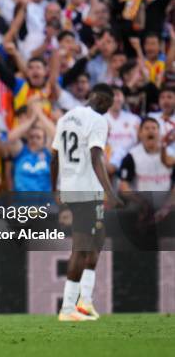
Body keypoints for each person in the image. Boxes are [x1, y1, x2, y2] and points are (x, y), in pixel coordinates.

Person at [51, 84, 124, 321]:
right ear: (103, 100)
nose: (107, 109)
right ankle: (68, 308)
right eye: (109, 105)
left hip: (72, 187)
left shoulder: (66, 118)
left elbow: (54, 157)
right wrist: (109, 191)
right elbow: (96, 155)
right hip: (86, 190)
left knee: (97, 241)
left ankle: (85, 301)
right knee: (81, 247)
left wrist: (55, 188)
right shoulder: (97, 120)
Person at [119, 118, 173, 192]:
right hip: (141, 201)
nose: (150, 130)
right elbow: (124, 186)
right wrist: (141, 202)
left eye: (154, 128)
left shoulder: (171, 153)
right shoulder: (131, 156)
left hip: (167, 201)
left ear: (160, 133)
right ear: (140, 133)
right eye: (147, 128)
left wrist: (169, 202)